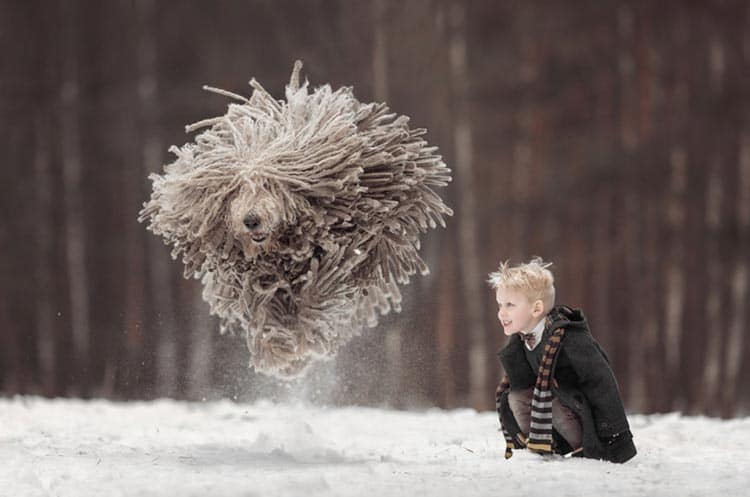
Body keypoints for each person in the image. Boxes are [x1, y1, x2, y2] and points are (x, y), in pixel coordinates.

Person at [489, 257, 636, 463]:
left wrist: (614, 433)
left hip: (586, 417)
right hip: (558, 413)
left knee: (551, 399)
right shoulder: (522, 341)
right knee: (515, 396)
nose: (501, 313)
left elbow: (601, 380)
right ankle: (536, 445)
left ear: (536, 309)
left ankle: (582, 449)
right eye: (500, 305)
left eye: (510, 305)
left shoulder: (569, 338)